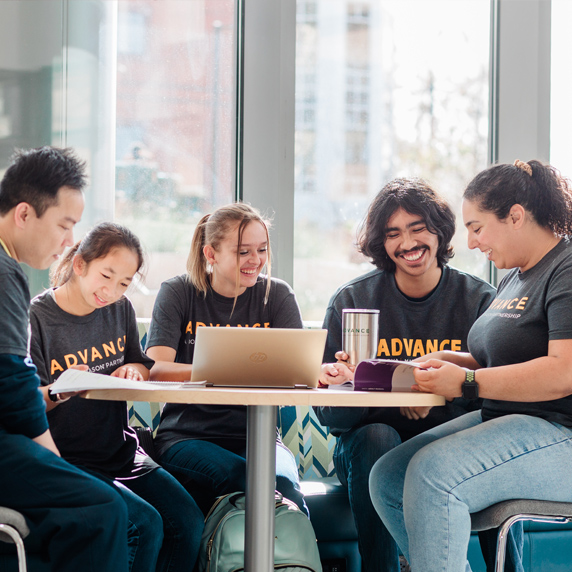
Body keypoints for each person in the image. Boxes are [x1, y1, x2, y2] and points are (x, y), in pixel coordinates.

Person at [368, 159, 572, 572]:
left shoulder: (565, 269)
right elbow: (496, 357)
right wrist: (447, 361)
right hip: (511, 420)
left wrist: (466, 381)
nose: (473, 242)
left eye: (477, 227)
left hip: (560, 432)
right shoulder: (516, 275)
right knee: (388, 476)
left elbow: (561, 372)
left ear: (515, 216)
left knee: (430, 474)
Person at [315, 178, 522, 572]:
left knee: (488, 447)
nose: (407, 243)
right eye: (393, 234)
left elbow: (500, 390)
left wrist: (435, 396)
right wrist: (347, 383)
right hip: (368, 452)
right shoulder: (352, 301)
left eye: (417, 228)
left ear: (439, 231)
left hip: (454, 446)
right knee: (378, 437)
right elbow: (331, 418)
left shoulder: (478, 299)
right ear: (382, 244)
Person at [28, 221, 204, 572]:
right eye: (106, 276)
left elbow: (140, 364)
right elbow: (27, 401)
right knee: (145, 525)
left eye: (124, 283)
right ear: (80, 265)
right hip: (67, 460)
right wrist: (65, 388)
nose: (110, 291)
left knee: (188, 522)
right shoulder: (37, 318)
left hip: (121, 452)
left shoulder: (119, 310)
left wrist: (133, 371)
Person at [0, 146, 129, 571]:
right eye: (64, 224)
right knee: (102, 510)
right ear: (24, 214)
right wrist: (53, 459)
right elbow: (12, 385)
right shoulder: (5, 273)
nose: (69, 240)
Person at [146, 203, 307, 515]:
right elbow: (156, 368)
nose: (256, 260)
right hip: (186, 435)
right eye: (243, 251)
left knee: (284, 488)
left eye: (262, 249)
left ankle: (292, 564)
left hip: (260, 435)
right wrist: (225, 369)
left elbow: (300, 372)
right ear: (211, 254)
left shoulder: (277, 296)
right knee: (245, 478)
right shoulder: (179, 293)